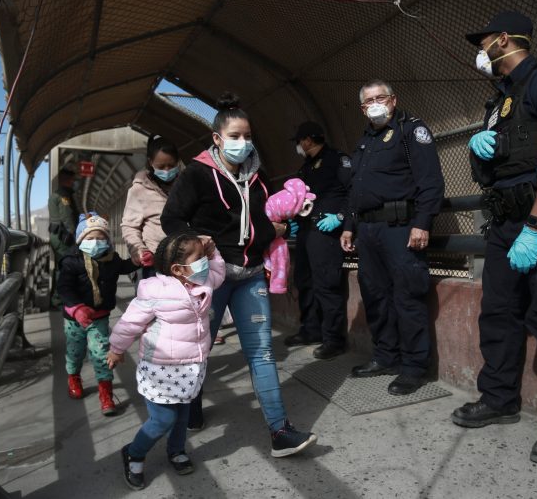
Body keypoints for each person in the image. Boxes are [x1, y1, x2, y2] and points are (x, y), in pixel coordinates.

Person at [451, 11, 537, 466]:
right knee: (499, 314)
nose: (480, 49)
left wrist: (534, 225)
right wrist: (478, 147)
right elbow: (491, 172)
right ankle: (499, 399)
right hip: (505, 222)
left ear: (505, 40)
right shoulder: (498, 101)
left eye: (484, 40)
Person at [161, 92, 318, 457]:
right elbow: (171, 219)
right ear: (217, 139)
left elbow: (260, 224)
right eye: (234, 136)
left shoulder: (258, 178)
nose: (242, 143)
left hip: (250, 276)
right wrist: (194, 240)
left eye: (247, 136)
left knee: (262, 353)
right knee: (198, 353)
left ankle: (280, 431)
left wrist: (274, 231)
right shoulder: (198, 174)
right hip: (211, 278)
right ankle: (188, 417)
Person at [340, 80, 444, 396]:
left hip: (401, 226)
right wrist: (349, 225)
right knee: (375, 296)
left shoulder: (411, 132)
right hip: (368, 231)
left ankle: (414, 367)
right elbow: (355, 191)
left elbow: (431, 182)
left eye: (380, 97)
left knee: (407, 296)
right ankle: (386, 356)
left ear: (393, 100)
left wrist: (422, 223)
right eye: (368, 100)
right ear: (362, 108)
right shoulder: (364, 142)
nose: (375, 103)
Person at [107, 233, 226, 490]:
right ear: (177, 268)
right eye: (200, 258)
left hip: (191, 366)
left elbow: (219, 271)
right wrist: (116, 349)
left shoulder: (201, 280)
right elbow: (129, 323)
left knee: (182, 414)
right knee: (162, 419)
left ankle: (176, 450)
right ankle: (134, 454)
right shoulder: (155, 291)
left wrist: (213, 252)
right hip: (161, 368)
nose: (205, 262)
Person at [57, 212, 138, 415]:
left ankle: (106, 394)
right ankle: (74, 378)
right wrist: (77, 308)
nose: (96, 242)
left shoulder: (112, 259)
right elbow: (64, 288)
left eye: (101, 237)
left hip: (99, 316)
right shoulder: (71, 261)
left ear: (108, 240)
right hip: (74, 318)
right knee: (75, 353)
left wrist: (137, 260)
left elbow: (125, 266)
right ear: (80, 240)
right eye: (90, 238)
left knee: (101, 353)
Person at [284, 121, 351, 360]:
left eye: (299, 142)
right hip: (305, 230)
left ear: (307, 141)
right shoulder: (306, 167)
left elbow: (353, 191)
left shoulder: (337, 159)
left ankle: (334, 339)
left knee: (326, 285)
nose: (299, 146)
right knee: (305, 282)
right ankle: (311, 329)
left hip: (325, 231)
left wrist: (341, 218)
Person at [121, 135, 182, 279]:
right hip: (155, 263)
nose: (167, 170)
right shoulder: (139, 190)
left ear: (178, 162)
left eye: (171, 165)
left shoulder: (186, 186)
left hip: (185, 261)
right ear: (150, 162)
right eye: (161, 167)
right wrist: (139, 250)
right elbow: (129, 226)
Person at [48, 167, 80, 307]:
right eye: (73, 180)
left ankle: (59, 298)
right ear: (67, 180)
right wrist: (75, 234)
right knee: (65, 267)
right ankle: (58, 299)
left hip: (59, 235)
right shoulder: (63, 196)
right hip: (64, 237)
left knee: (62, 267)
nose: (74, 183)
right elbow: (67, 217)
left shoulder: (58, 194)